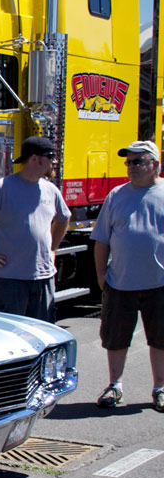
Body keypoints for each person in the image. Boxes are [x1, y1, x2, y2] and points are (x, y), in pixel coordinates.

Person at [89, 140, 164, 411]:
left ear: (154, 164)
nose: (130, 167)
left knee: (160, 338)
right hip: (120, 282)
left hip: (159, 283)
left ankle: (160, 388)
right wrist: (101, 276)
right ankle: (115, 386)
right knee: (115, 337)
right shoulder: (117, 195)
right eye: (128, 162)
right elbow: (101, 241)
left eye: (137, 161)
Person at [0, 136, 70, 322]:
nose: (54, 162)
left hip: (43, 278)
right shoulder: (1, 188)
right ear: (34, 159)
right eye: (50, 156)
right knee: (8, 338)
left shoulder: (51, 190)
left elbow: (64, 218)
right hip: (9, 280)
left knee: (43, 337)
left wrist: (52, 250)